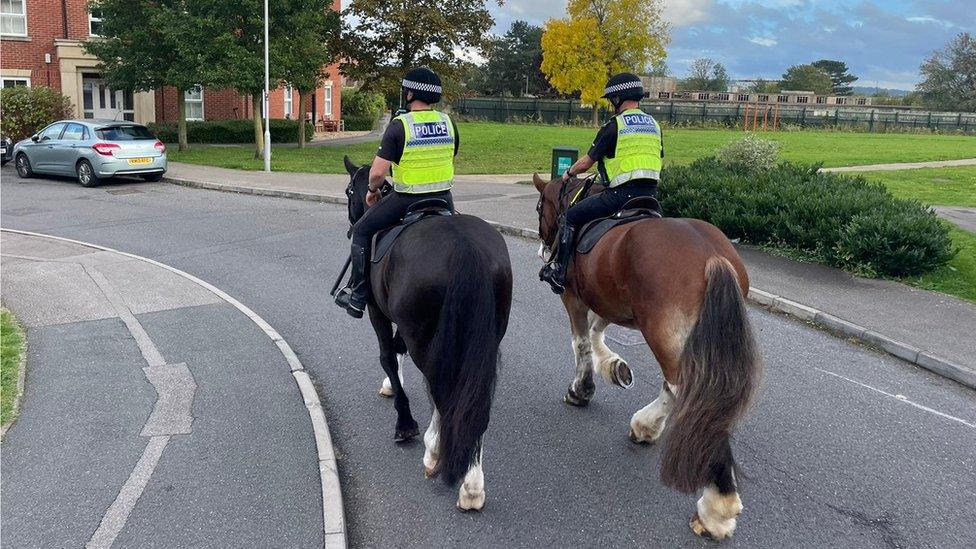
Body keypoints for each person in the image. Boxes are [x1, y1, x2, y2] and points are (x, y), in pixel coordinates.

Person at [335, 67, 459, 318]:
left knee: (361, 230)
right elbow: (451, 153)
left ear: (411, 93)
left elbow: (378, 173)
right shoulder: (448, 122)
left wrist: (372, 190)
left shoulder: (400, 125)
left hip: (407, 199)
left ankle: (358, 295)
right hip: (444, 198)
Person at [539, 72, 664, 294]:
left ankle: (559, 272)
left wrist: (568, 173)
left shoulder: (615, 125)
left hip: (620, 196)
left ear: (618, 98)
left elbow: (587, 162)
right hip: (651, 197)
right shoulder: (654, 125)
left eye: (611, 99)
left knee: (570, 216)